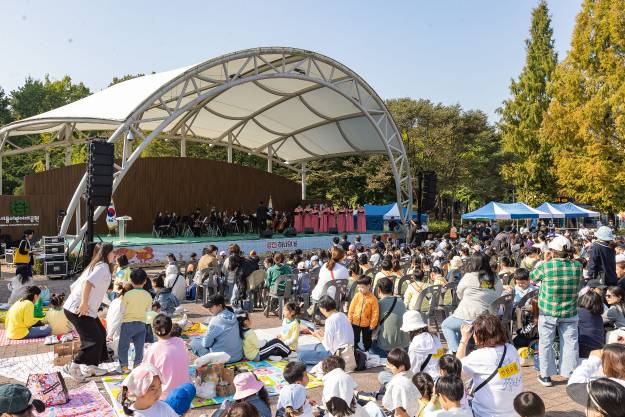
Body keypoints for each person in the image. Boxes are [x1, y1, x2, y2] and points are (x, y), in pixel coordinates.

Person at [530, 235, 582, 386]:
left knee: (546, 342)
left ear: (552, 251)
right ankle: (570, 374)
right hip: (570, 312)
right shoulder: (577, 266)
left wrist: (545, 260)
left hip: (548, 312)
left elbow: (532, 278)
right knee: (571, 343)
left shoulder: (546, 266)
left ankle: (546, 376)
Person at [456, 313, 523, 417]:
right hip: (516, 412)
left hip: (485, 413)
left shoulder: (479, 356)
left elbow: (455, 372)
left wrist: (464, 339)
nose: (473, 335)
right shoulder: (511, 349)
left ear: (479, 336)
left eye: (475, 333)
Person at [441, 253, 503, 353]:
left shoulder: (469, 276)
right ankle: (466, 349)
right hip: (490, 316)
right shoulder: (495, 277)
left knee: (446, 325)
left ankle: (455, 351)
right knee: (463, 327)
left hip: (470, 316)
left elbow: (459, 294)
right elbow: (499, 292)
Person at [142, 314, 190, 399]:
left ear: (154, 330)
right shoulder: (180, 342)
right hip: (185, 391)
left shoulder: (153, 349)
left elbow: (145, 373)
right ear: (171, 328)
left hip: (165, 396)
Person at [119, 364, 195, 417]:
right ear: (137, 391)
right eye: (152, 389)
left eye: (159, 387)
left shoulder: (163, 407)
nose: (158, 392)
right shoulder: (130, 414)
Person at [298, 295, 354, 365]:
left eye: (320, 309)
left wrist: (317, 336)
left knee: (302, 356)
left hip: (337, 355)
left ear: (324, 309)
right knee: (318, 347)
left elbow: (328, 346)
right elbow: (339, 336)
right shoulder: (343, 315)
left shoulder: (330, 320)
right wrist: (324, 335)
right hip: (349, 351)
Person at [189, 294, 243, 363]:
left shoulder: (215, 320)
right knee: (202, 338)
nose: (209, 309)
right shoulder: (233, 314)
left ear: (220, 306)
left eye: (211, 307)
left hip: (224, 359)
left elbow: (206, 344)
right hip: (237, 356)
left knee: (195, 342)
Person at [119, 268, 153, 374]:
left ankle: (124, 367)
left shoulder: (128, 294)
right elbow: (149, 311)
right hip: (141, 324)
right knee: (139, 347)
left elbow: (121, 310)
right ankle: (137, 365)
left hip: (127, 324)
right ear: (145, 281)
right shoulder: (148, 295)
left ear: (131, 281)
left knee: (123, 346)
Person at [371, 277, 409, 358]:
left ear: (379, 290)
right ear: (392, 289)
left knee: (364, 342)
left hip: (385, 349)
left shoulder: (378, 305)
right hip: (405, 347)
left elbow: (373, 328)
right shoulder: (401, 302)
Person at [402, 310, 444, 379]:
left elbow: (412, 373)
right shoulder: (434, 337)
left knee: (384, 375)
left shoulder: (415, 346)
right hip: (441, 378)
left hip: (426, 383)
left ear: (409, 331)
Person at [379, 348, 421, 417]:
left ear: (401, 367)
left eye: (391, 365)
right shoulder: (412, 374)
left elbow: (389, 406)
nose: (389, 367)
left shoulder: (396, 382)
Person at [347, 276, 379, 352]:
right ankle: (355, 349)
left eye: (362, 287)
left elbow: (375, 312)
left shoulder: (373, 298)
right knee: (355, 338)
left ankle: (367, 350)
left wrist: (372, 324)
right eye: (358, 287)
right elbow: (352, 307)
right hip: (355, 322)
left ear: (368, 286)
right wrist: (350, 318)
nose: (360, 289)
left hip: (367, 324)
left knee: (367, 339)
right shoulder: (357, 296)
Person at [578, 291, 606, 358]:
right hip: (598, 348)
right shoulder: (599, 316)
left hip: (584, 348)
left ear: (584, 300)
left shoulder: (580, 312)